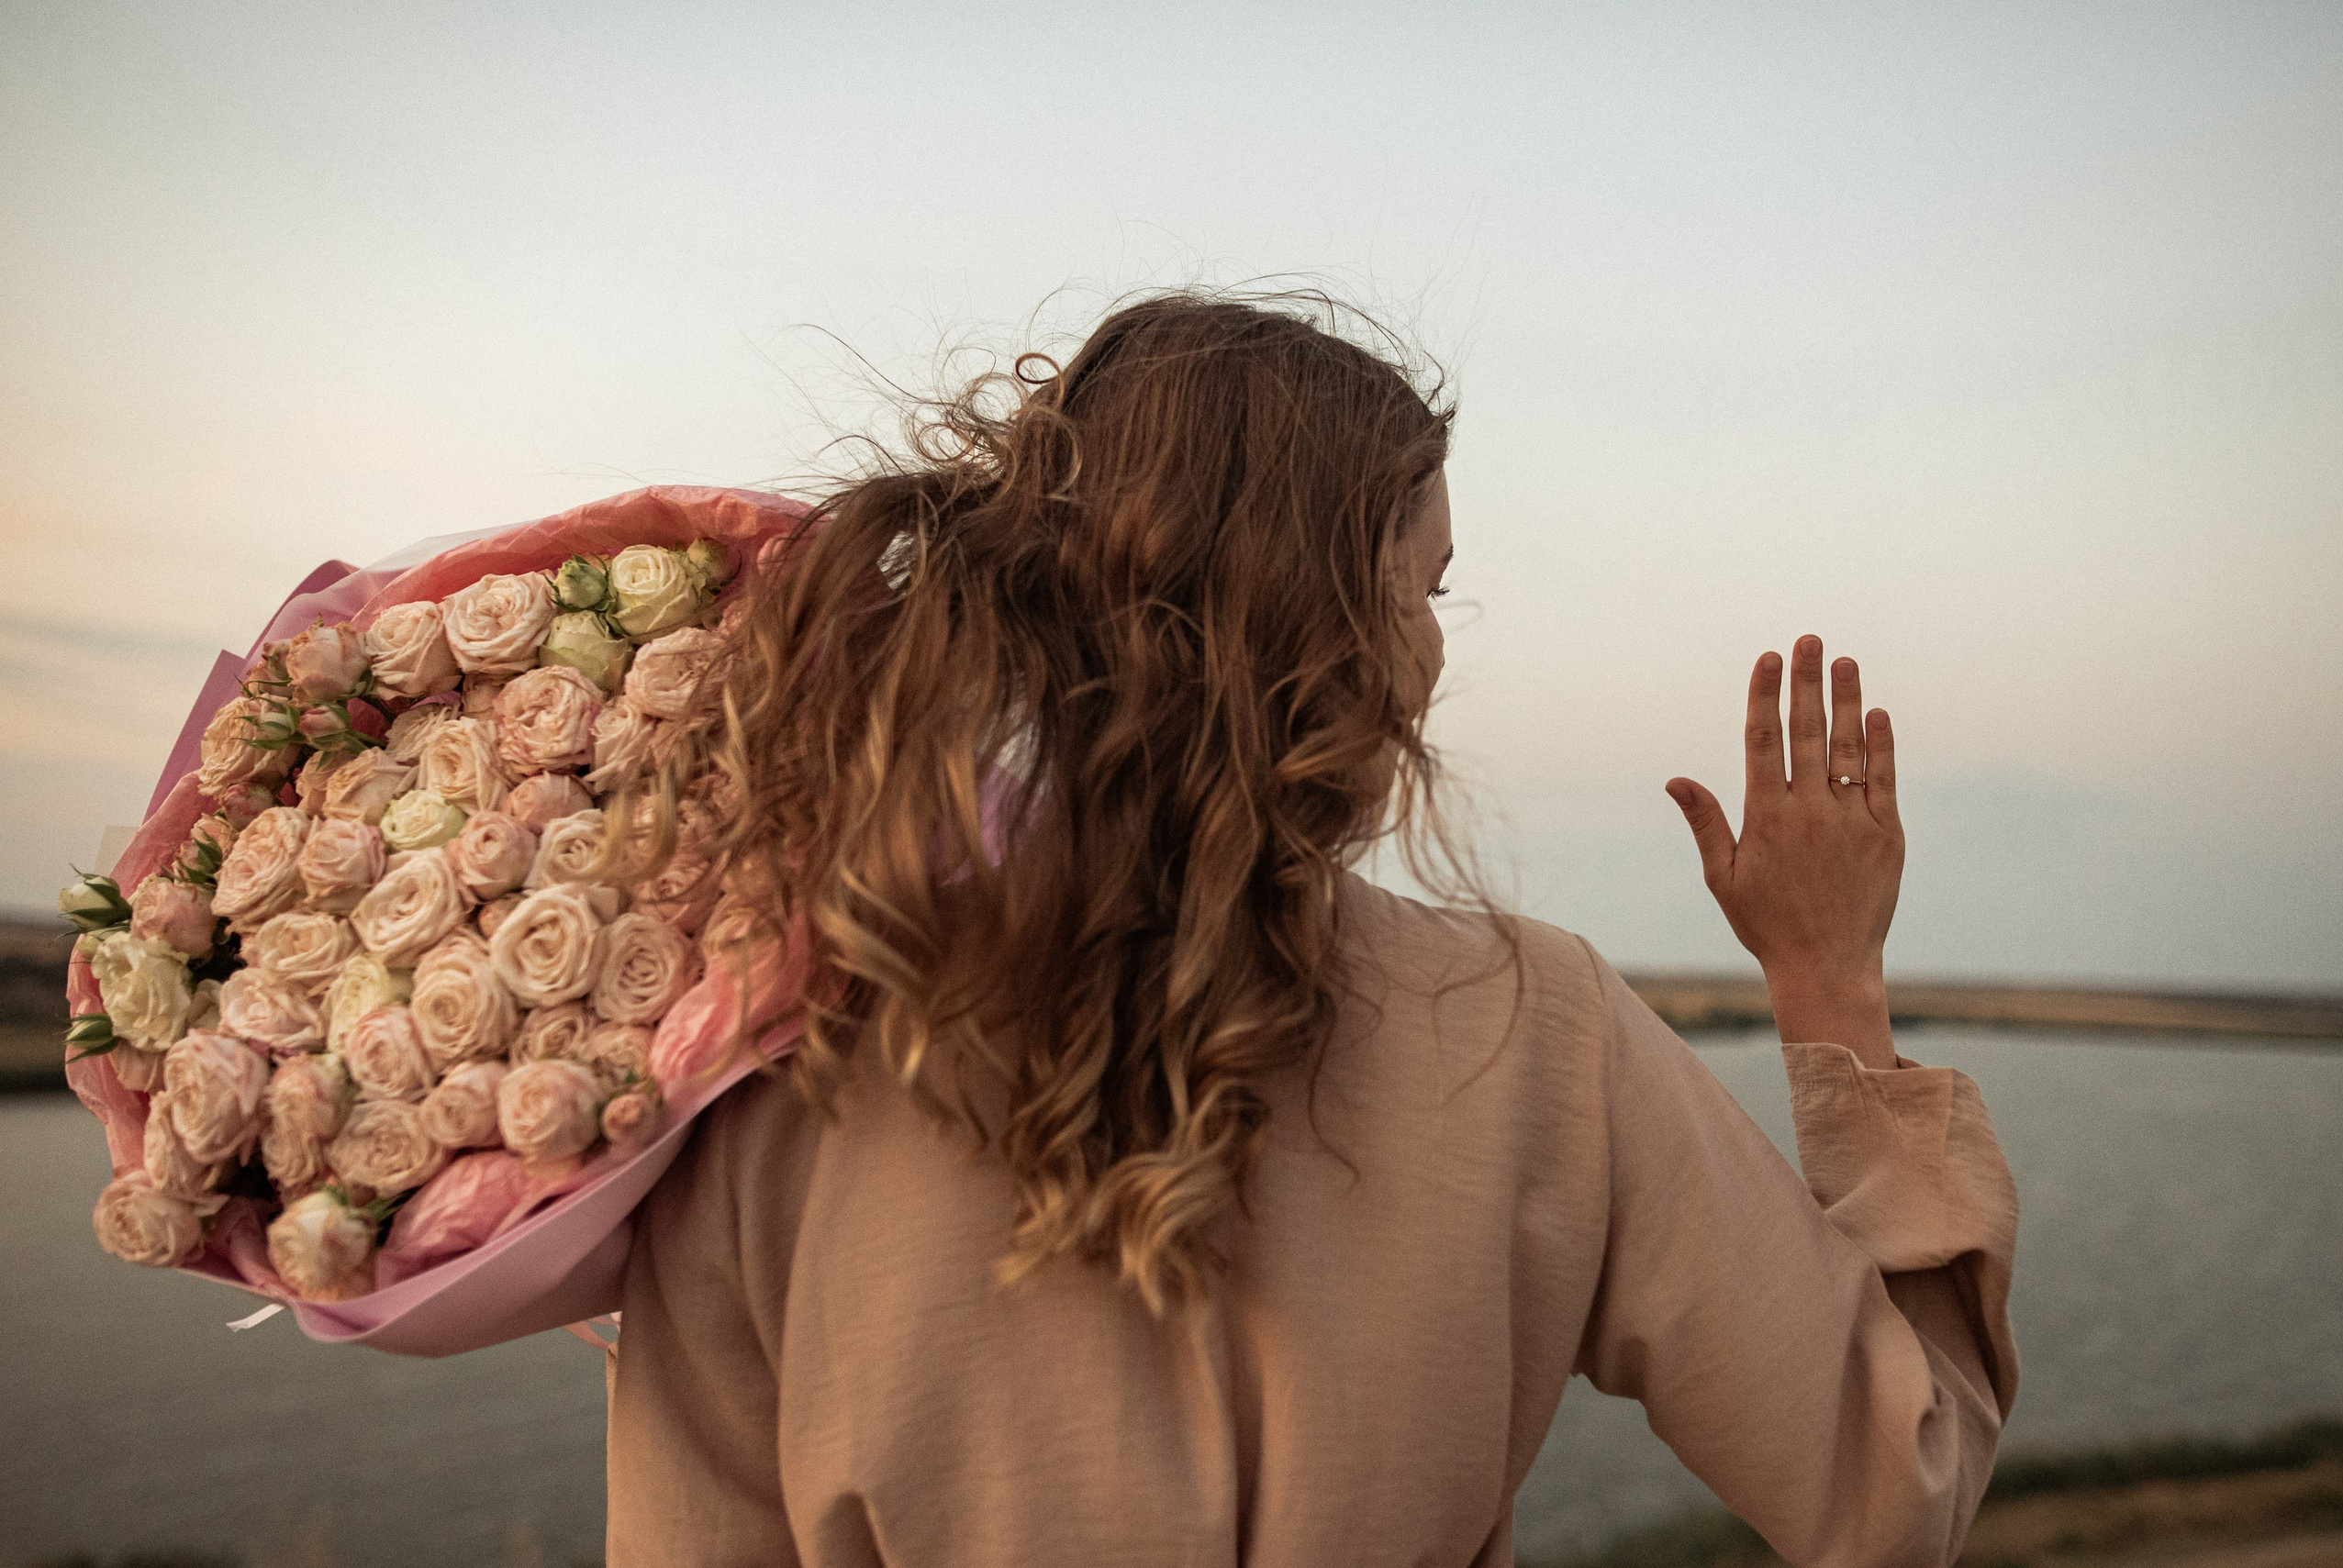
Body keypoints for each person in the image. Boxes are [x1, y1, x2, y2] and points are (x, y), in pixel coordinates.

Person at [602, 292, 2020, 1567]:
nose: (1437, 643)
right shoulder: (1536, 1029)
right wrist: (1830, 979)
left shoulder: (774, 1058)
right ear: (1327, 618)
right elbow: (1899, 1488)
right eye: (1426, 583)